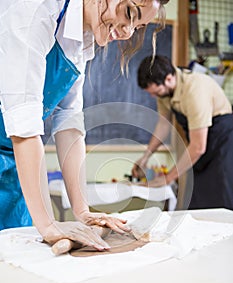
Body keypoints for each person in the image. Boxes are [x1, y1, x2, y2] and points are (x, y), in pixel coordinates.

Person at [0, 0, 170, 254]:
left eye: (139, 26)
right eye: (129, 13)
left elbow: (69, 121)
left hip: (14, 167)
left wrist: (82, 211)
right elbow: (25, 127)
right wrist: (47, 223)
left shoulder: (83, 37)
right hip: (16, 146)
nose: (127, 32)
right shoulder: (36, 8)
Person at [132, 55, 233, 210]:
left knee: (222, 205)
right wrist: (146, 156)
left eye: (155, 92)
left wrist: (168, 178)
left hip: (222, 146)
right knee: (198, 206)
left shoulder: (195, 90)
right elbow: (164, 125)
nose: (153, 96)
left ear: (169, 78)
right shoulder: (165, 91)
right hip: (201, 147)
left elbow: (198, 147)